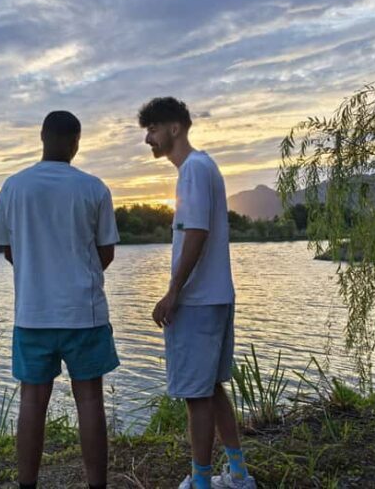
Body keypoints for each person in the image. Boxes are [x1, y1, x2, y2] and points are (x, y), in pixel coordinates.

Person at [0, 110, 120, 489]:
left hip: (33, 314)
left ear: (42, 137)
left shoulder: (13, 187)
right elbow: (106, 252)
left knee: (32, 401)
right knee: (90, 400)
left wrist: (39, 274)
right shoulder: (94, 188)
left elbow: (9, 251)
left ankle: (27, 485)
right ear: (76, 142)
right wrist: (77, 275)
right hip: (85, 314)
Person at [138, 97, 256, 489]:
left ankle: (202, 481)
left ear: (175, 128)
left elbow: (197, 233)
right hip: (216, 296)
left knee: (196, 396)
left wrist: (173, 292)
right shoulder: (206, 166)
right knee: (212, 388)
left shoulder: (192, 169)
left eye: (153, 129)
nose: (148, 139)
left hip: (199, 301)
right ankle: (237, 475)